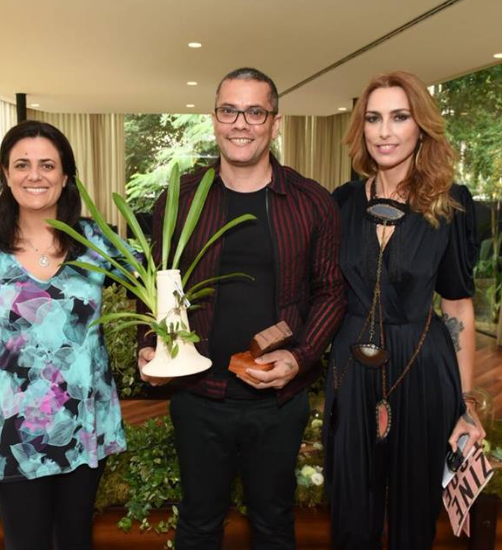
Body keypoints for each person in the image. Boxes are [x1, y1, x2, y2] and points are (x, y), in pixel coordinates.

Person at [138, 67, 346, 550]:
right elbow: (156, 283)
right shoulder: (181, 196)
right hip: (197, 395)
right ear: (214, 118)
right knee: (198, 523)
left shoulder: (312, 202)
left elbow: (332, 290)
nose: (241, 123)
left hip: (278, 400)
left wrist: (300, 356)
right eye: (230, 110)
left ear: (275, 123)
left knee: (274, 524)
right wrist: (150, 347)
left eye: (255, 112)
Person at [324, 70, 487, 550]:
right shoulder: (344, 201)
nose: (384, 131)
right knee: (350, 507)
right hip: (351, 369)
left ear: (422, 127)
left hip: (422, 363)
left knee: (415, 514)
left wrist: (469, 405)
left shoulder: (449, 204)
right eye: (373, 118)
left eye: (399, 117)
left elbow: (457, 304)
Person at [0, 120, 128, 550]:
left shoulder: (95, 242)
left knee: (75, 541)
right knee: (25, 542)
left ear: (65, 176)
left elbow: (157, 282)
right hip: (15, 430)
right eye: (23, 164)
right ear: (6, 174)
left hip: (84, 424)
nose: (36, 175)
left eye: (47, 164)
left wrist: (157, 346)